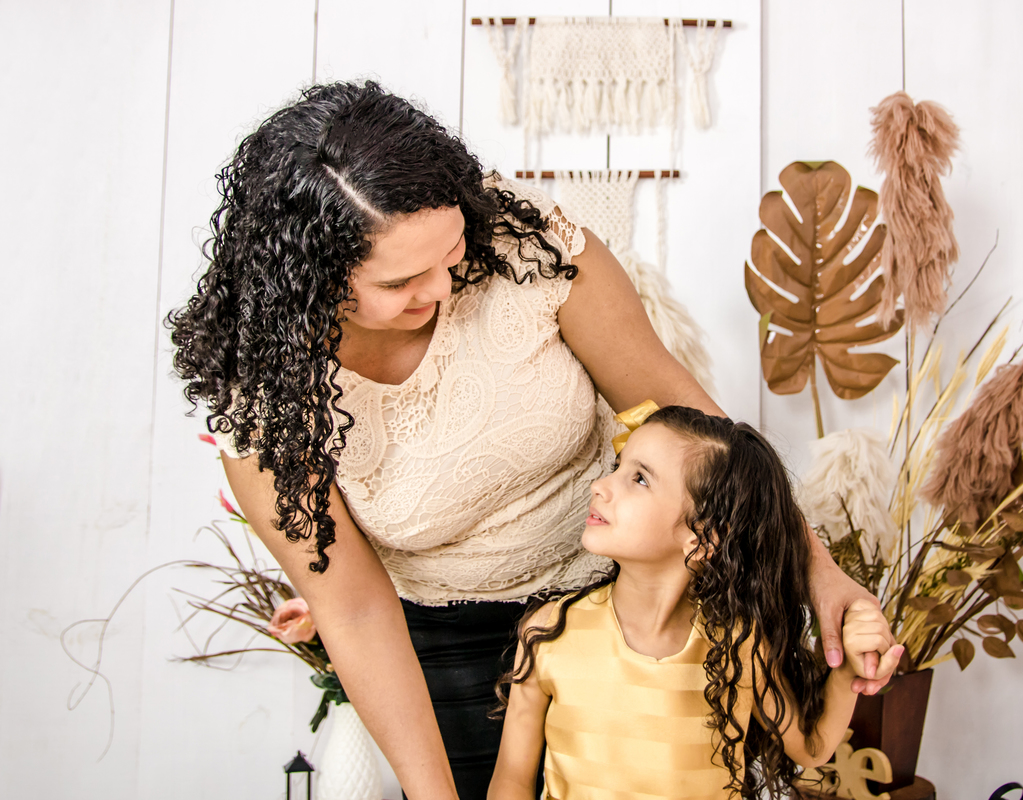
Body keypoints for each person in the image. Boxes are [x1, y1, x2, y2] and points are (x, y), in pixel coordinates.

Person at [168, 81, 896, 800]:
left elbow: (690, 424)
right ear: (312, 285)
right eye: (402, 282)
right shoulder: (265, 402)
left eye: (451, 250)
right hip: (449, 651)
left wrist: (816, 569)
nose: (443, 288)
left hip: (632, 592)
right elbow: (355, 611)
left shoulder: (525, 242)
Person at [490, 406, 904, 800]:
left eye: (639, 479)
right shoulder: (549, 632)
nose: (601, 485)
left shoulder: (739, 643)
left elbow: (811, 748)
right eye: (618, 467)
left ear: (701, 537)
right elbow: (511, 780)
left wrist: (846, 672)